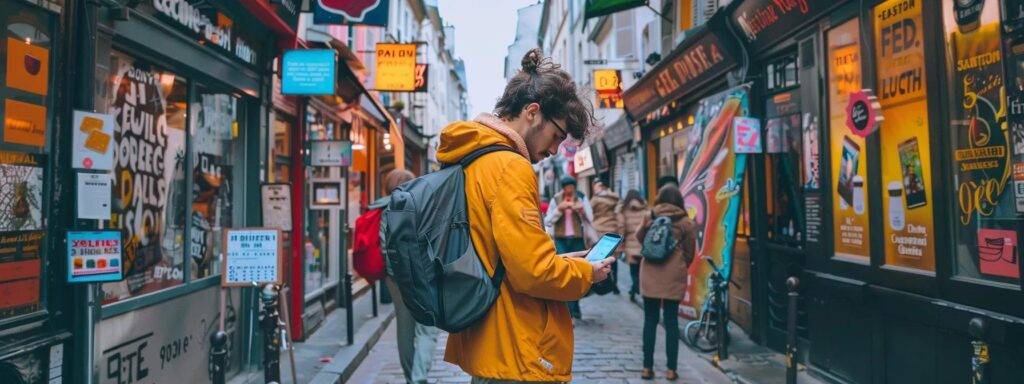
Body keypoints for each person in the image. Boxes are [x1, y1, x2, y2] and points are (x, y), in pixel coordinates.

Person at [439, 48, 614, 383]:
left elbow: (506, 257)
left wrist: (564, 261)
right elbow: (531, 273)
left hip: (491, 339)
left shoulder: (476, 157)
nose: (555, 150)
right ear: (533, 113)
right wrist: (587, 274)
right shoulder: (509, 166)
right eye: (557, 135)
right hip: (515, 349)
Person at [379, 169, 440, 384]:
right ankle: (419, 376)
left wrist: (394, 273)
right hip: (424, 275)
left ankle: (410, 377)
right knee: (427, 327)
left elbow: (384, 246)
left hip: (396, 278)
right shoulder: (422, 204)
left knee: (404, 328)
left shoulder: (385, 209)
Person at [636, 185, 696, 381]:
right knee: (671, 323)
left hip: (650, 272)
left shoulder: (650, 216)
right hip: (673, 274)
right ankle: (671, 370)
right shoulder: (685, 221)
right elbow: (689, 252)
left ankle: (647, 368)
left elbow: (639, 239)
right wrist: (679, 264)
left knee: (650, 321)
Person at [544, 176, 593, 319]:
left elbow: (590, 218)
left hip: (577, 239)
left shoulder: (581, 198)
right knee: (564, 271)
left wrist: (581, 210)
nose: (569, 190)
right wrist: (559, 209)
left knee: (577, 270)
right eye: (566, 187)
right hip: (561, 240)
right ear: (563, 188)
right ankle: (568, 309)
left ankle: (575, 306)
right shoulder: (556, 199)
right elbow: (548, 221)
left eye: (571, 187)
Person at [589, 178, 623, 294]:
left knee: (602, 258)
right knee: (614, 259)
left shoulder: (595, 199)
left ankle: (603, 282)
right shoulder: (614, 198)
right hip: (612, 228)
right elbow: (619, 211)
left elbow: (589, 212)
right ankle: (615, 284)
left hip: (599, 229)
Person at [617, 189, 651, 302]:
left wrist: (621, 245)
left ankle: (635, 289)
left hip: (630, 246)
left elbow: (621, 229)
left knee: (634, 271)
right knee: (642, 270)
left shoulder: (624, 211)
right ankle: (635, 289)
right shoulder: (646, 209)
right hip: (644, 244)